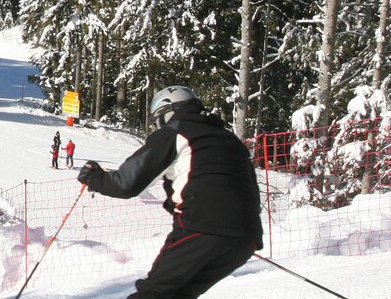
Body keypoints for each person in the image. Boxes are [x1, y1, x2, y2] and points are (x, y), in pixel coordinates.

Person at [77, 86, 263, 299]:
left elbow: (126, 183)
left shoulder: (175, 132)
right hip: (245, 238)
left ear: (167, 112)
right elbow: (246, 190)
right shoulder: (230, 140)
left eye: (158, 119)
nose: (158, 125)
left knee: (153, 294)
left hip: (201, 228)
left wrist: (93, 177)